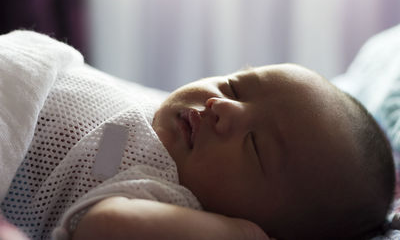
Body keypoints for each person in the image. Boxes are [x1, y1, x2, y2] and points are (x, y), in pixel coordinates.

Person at [0, 31, 395, 240]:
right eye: (235, 87)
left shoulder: (170, 198)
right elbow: (104, 141)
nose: (222, 107)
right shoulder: (164, 123)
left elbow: (105, 227)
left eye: (255, 146)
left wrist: (237, 235)